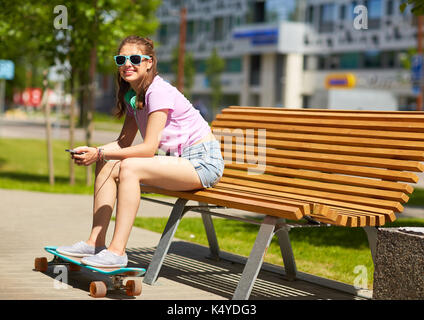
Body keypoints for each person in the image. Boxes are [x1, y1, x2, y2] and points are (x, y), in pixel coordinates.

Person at [57, 35, 224, 268]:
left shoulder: (158, 91)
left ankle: (117, 251)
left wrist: (102, 152)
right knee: (106, 163)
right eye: (121, 59)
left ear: (149, 62)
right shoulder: (133, 96)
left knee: (129, 166)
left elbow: (148, 149)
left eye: (134, 58)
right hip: (178, 163)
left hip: (202, 164)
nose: (127, 64)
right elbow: (124, 142)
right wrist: (97, 152)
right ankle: (95, 242)